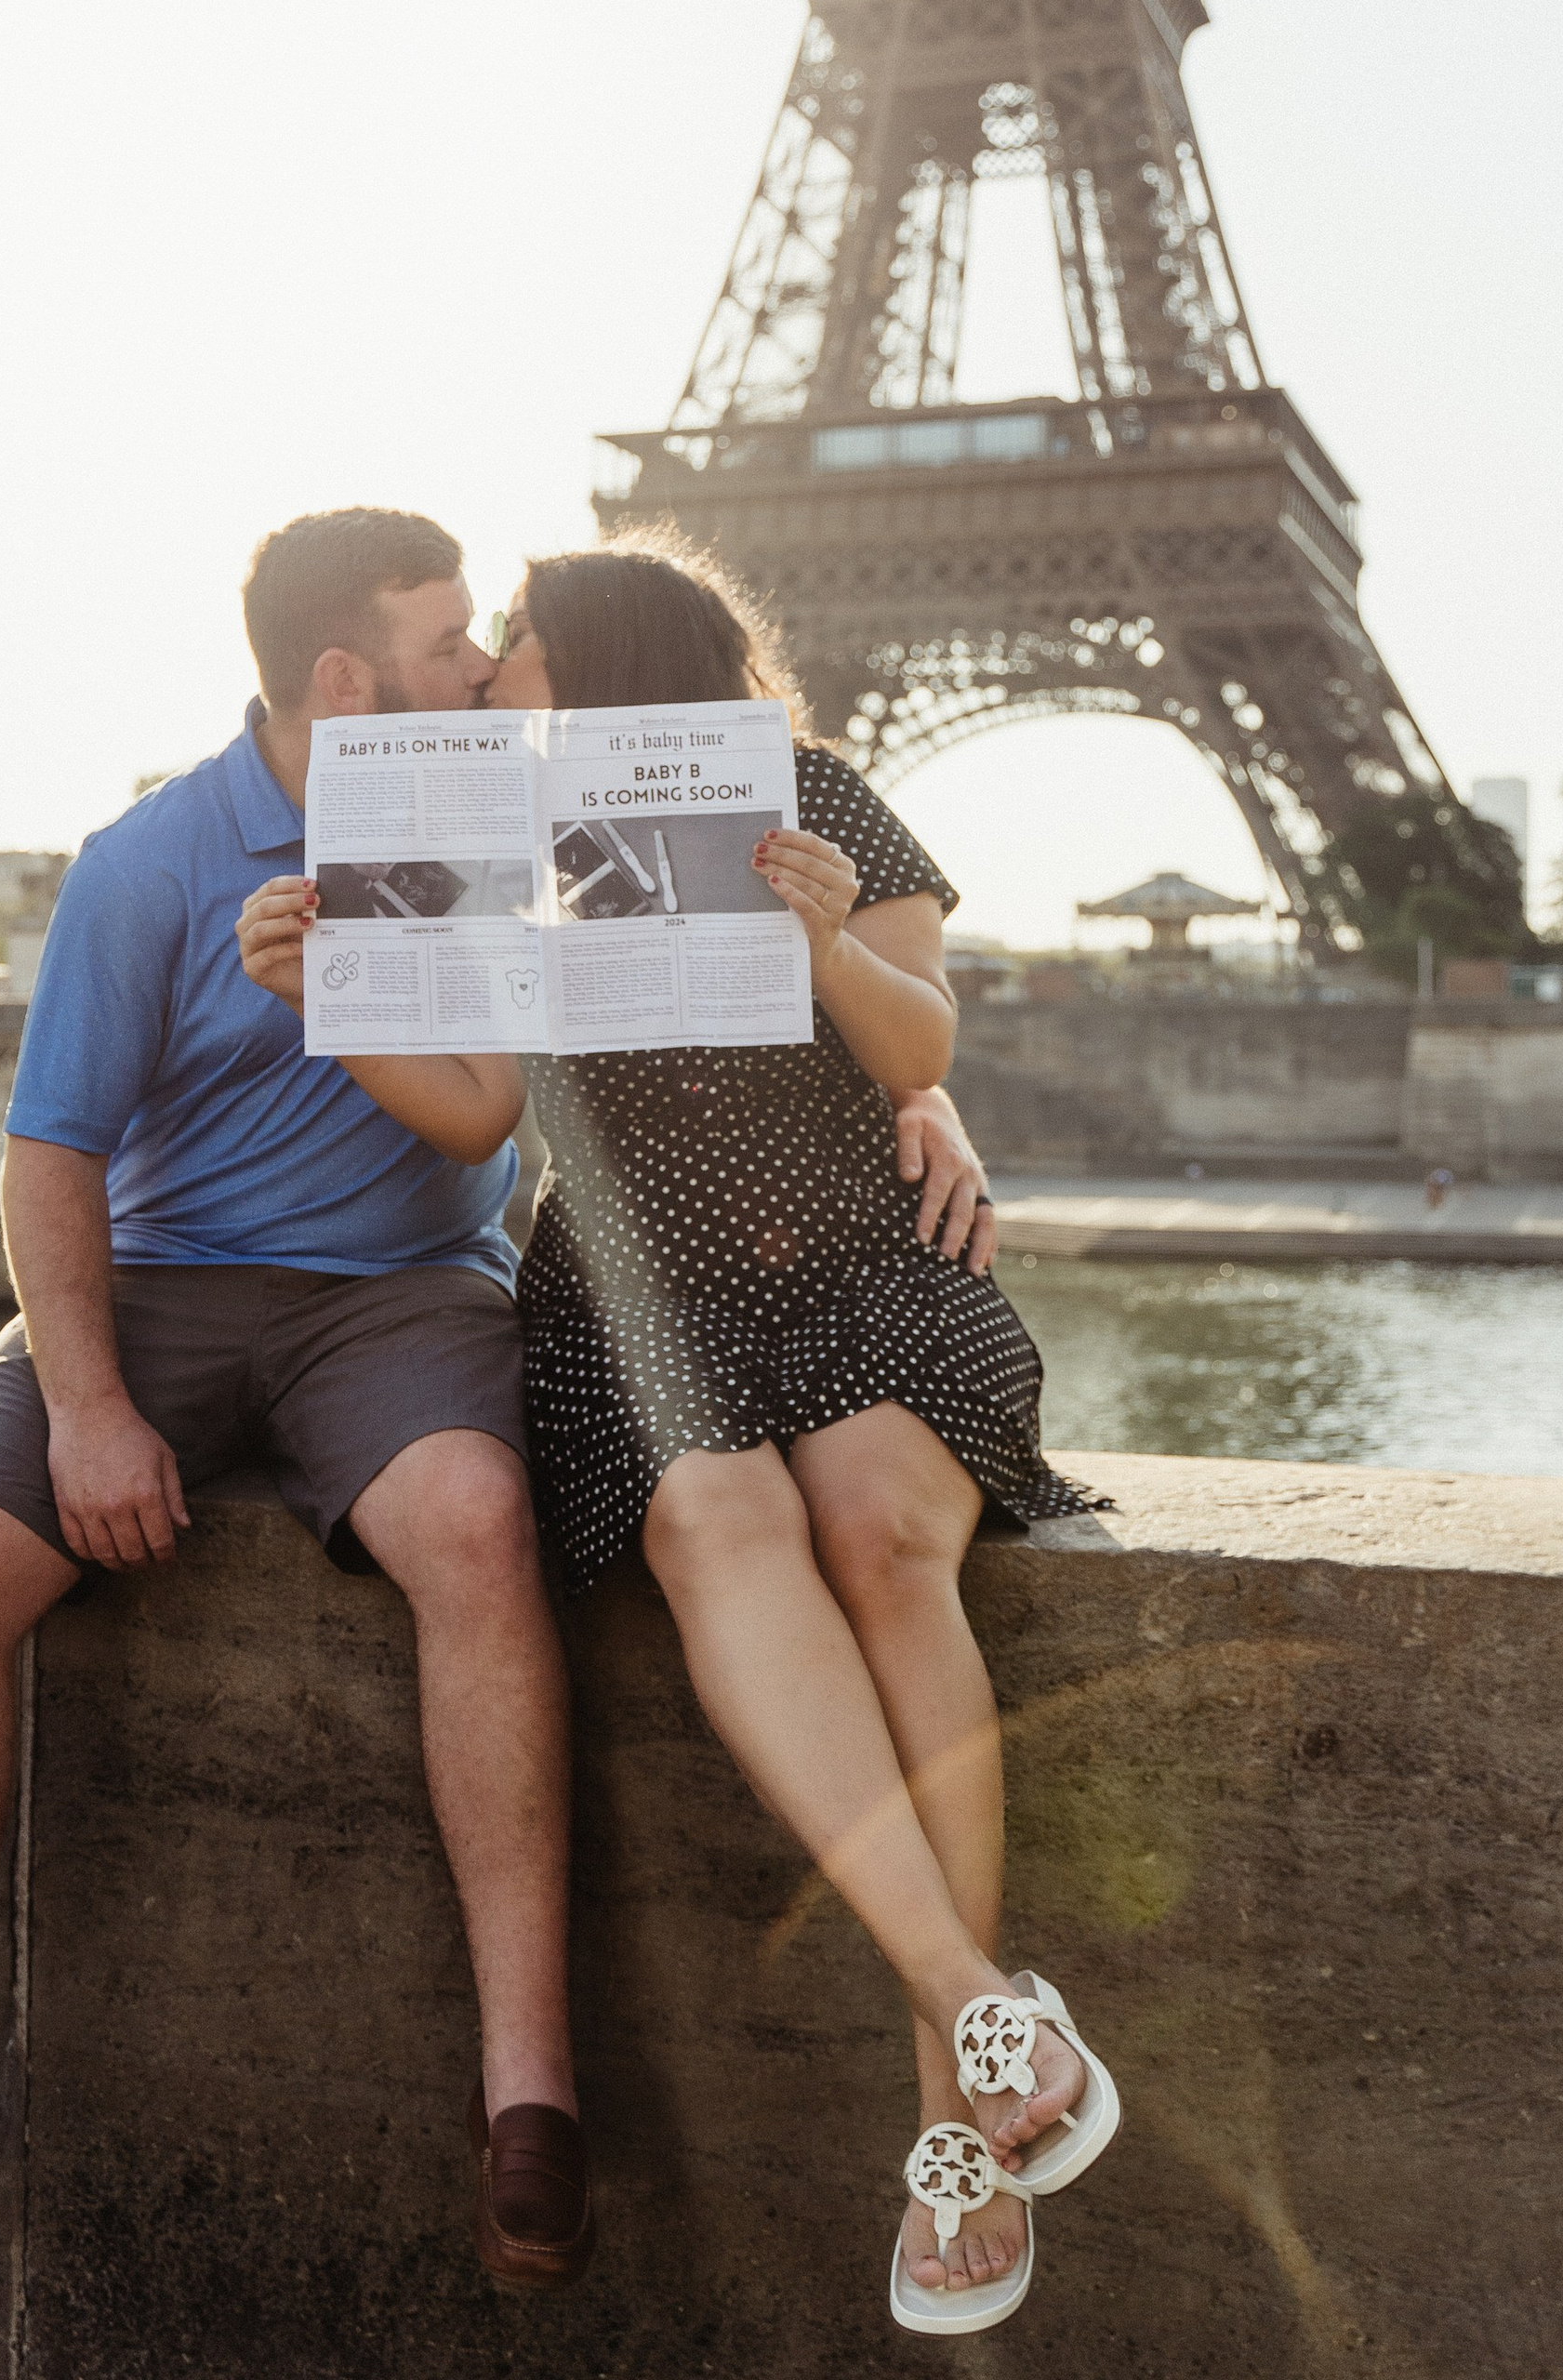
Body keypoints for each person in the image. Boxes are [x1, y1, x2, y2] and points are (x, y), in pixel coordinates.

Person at [0, 508, 1000, 2321]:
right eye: (450, 640)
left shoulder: (512, 811)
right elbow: (64, 1154)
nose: (477, 667)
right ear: (343, 674)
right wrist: (88, 1402)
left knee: (493, 1521)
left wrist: (918, 1092)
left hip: (409, 1299)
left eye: (491, 638)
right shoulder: (158, 861)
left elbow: (618, 1080)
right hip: (175, 1292)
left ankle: (532, 2091)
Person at [240, 532, 1117, 2339]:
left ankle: (950, 2119)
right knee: (718, 1520)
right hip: (646, 1308)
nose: (493, 677)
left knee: (881, 1529)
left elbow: (920, 1049)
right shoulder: (490, 839)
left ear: (609, 656)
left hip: (865, 1269)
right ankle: (975, 2005)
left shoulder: (816, 796)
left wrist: (817, 942)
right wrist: (326, 1000)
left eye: (521, 649)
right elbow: (475, 1113)